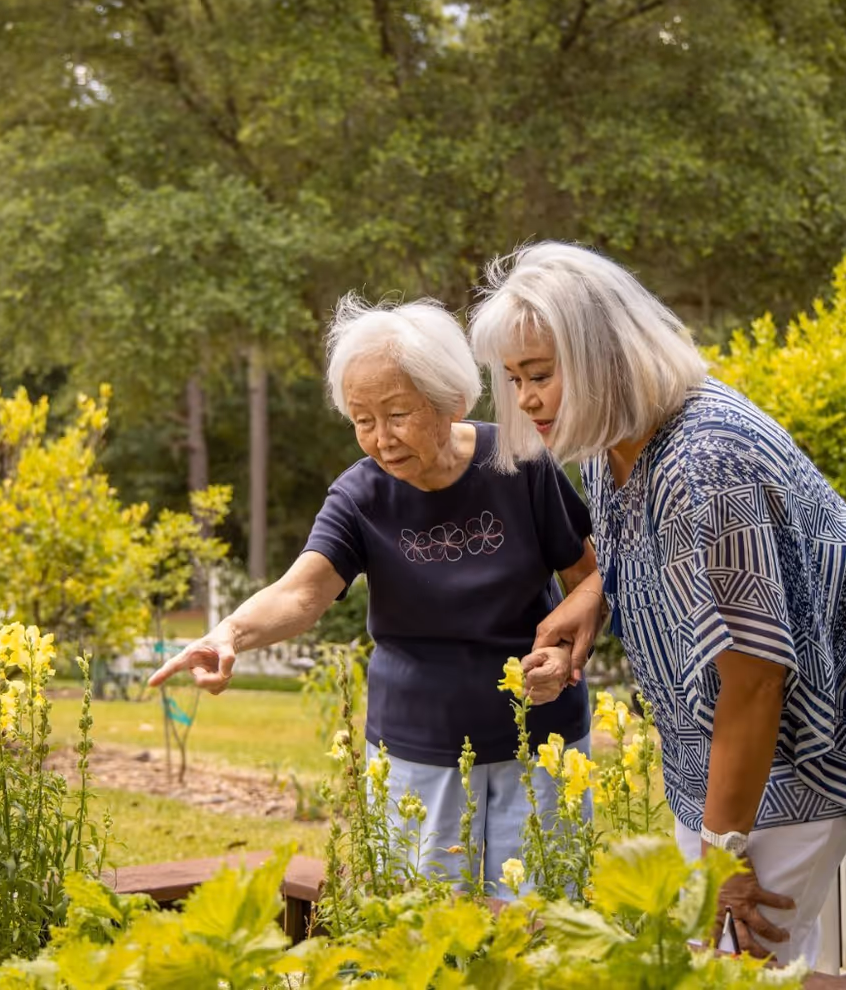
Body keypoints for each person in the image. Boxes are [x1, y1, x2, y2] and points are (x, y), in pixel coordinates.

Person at [469, 242, 846, 965]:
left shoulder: (705, 464)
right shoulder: (606, 436)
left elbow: (757, 677)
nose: (525, 400)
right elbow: (648, 556)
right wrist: (592, 599)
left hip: (802, 737)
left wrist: (725, 859)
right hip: (720, 739)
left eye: (542, 375)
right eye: (516, 378)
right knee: (699, 949)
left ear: (599, 357)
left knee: (743, 961)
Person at [148, 294, 604, 898]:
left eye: (396, 414)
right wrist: (227, 634)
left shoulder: (519, 462)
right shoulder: (360, 496)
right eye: (362, 420)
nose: (380, 439)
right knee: (428, 929)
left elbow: (589, 580)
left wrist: (569, 655)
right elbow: (302, 592)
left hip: (541, 739)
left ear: (451, 402)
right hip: (420, 752)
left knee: (546, 921)